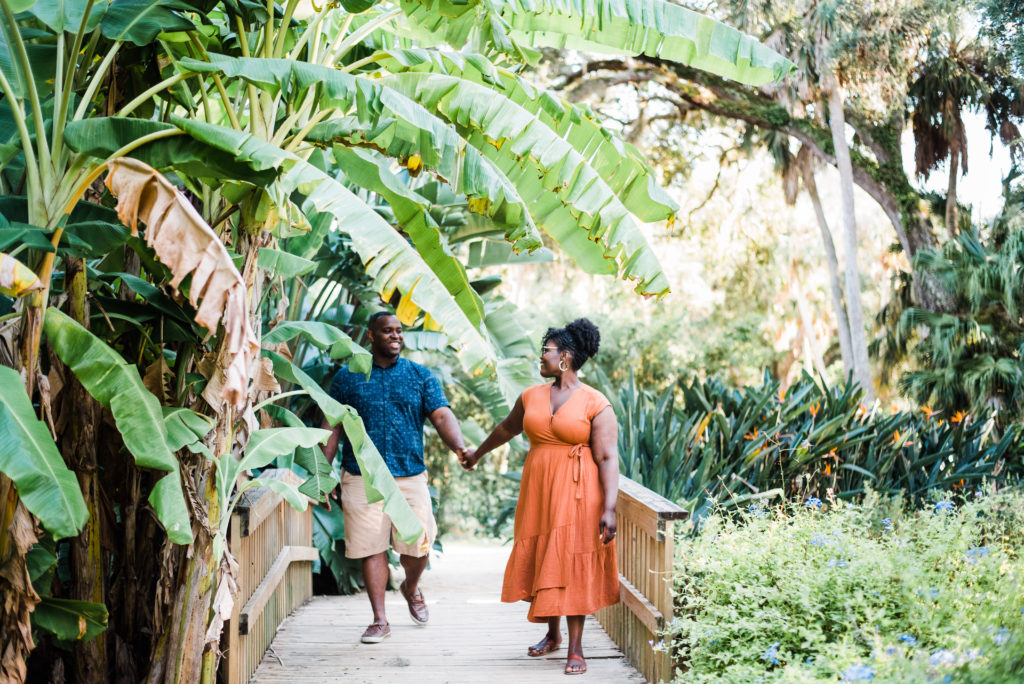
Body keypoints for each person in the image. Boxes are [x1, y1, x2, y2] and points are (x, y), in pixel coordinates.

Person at [460, 318, 619, 675]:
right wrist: (477, 454)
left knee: (572, 558)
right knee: (547, 553)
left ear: (565, 356)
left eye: (546, 349)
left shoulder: (596, 402)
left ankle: (576, 648)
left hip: (580, 492)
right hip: (539, 490)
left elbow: (608, 457)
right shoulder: (531, 395)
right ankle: (553, 634)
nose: (540, 355)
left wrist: (609, 507)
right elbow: (506, 428)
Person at [321, 310, 469, 644]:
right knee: (372, 548)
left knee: (418, 545)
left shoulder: (419, 375)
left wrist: (459, 448)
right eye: (387, 331)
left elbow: (442, 415)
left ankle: (411, 587)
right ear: (371, 336)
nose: (396, 336)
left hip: (409, 474)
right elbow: (332, 425)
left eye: (399, 331)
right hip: (362, 475)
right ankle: (379, 620)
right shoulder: (348, 378)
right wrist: (322, 471)